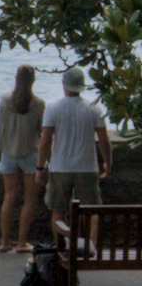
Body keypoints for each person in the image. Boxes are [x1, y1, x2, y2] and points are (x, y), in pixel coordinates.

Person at [39, 67, 114, 262]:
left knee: (57, 211)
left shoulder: (53, 108)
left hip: (60, 167)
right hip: (87, 168)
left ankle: (62, 250)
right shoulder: (93, 109)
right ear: (82, 86)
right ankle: (90, 249)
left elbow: (45, 141)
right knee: (92, 210)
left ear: (64, 85)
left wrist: (40, 167)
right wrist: (108, 163)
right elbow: (104, 141)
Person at [0, 64, 45, 252]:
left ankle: (4, 241)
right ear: (33, 81)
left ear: (16, 78)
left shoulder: (4, 100)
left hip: (8, 152)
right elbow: (41, 130)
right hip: (30, 153)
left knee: (9, 196)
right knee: (30, 199)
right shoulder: (38, 104)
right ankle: (22, 242)